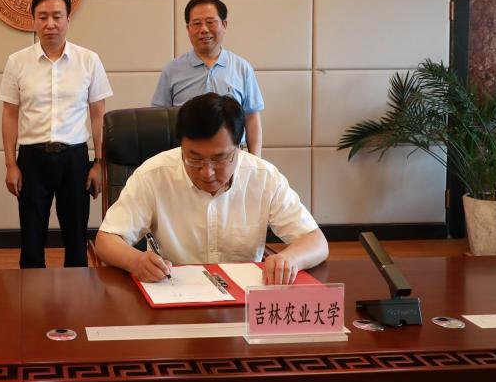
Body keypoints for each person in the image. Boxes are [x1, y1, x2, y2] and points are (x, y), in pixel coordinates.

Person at [95, 93, 327, 285]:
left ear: (239, 148)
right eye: (194, 158)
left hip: (242, 300)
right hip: (175, 294)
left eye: (219, 159)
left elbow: (316, 241)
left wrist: (290, 259)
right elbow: (107, 240)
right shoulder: (153, 174)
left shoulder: (263, 177)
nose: (207, 172)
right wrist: (136, 261)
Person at [0, 0, 113, 269]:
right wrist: (11, 164)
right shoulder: (17, 61)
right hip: (31, 159)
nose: (50, 24)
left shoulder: (89, 60)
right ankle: (31, 292)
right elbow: (9, 115)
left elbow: (98, 115)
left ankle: (77, 292)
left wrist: (99, 163)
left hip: (74, 158)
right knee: (31, 235)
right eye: (43, 17)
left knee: (76, 236)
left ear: (68, 19)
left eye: (57, 16)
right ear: (34, 21)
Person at [152, 0, 264, 156]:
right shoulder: (172, 70)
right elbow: (159, 119)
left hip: (231, 156)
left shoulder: (242, 68)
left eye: (211, 22)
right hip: (186, 157)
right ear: (188, 29)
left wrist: (255, 161)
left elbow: (252, 117)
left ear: (224, 25)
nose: (204, 29)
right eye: (197, 23)